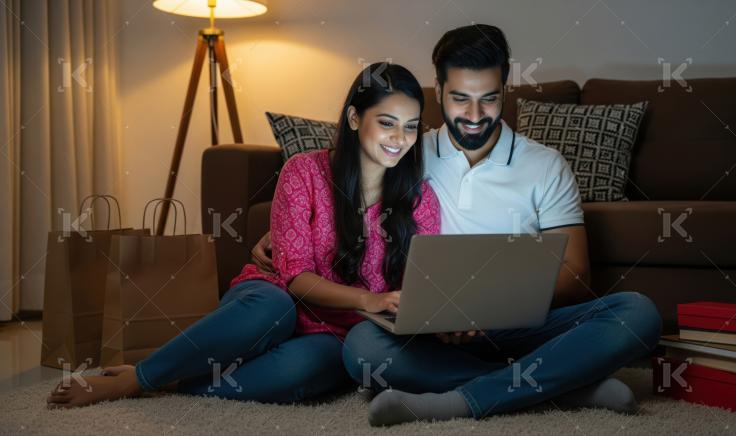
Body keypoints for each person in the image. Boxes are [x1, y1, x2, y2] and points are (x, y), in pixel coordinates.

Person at [254, 25, 663, 427]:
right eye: (459, 99)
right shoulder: (409, 154)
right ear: (438, 90)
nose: (473, 115)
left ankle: (459, 400)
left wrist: (488, 307)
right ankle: (570, 389)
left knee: (638, 312)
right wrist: (281, 236)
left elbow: (576, 273)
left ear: (506, 89)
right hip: (435, 334)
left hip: (523, 324)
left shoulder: (545, 165)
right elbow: (335, 199)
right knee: (362, 349)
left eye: (488, 99)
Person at [46, 62, 440, 409]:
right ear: (355, 119)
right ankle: (140, 377)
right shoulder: (304, 172)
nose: (399, 138)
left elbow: (415, 291)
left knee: (312, 367)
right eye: (387, 123)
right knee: (274, 308)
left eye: (410, 127)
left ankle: (176, 382)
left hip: (341, 330)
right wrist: (369, 298)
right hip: (277, 297)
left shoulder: (420, 199)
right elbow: (296, 278)